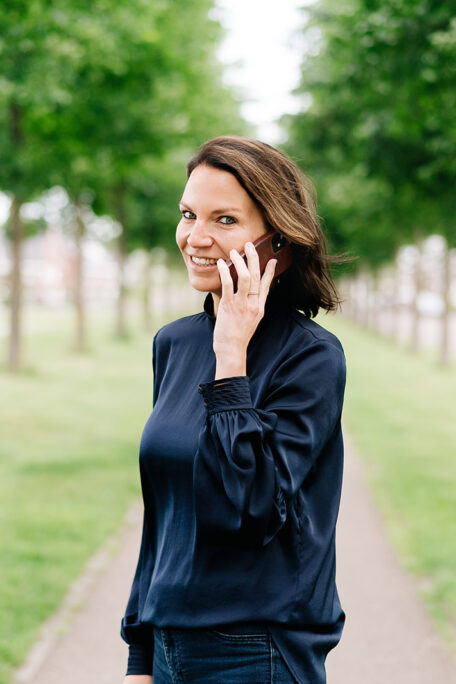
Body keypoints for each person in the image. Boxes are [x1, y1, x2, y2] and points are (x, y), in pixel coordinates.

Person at [121, 135, 347, 684]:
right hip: (170, 645)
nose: (195, 237)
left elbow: (251, 509)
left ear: (279, 246)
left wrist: (232, 358)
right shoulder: (172, 343)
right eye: (188, 214)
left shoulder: (312, 358)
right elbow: (164, 518)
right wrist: (139, 655)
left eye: (224, 220)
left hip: (256, 652)